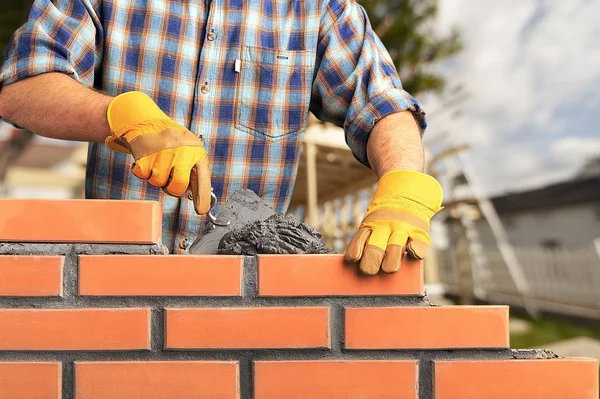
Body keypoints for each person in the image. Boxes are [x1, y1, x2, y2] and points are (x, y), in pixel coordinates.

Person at [0, 0, 443, 275]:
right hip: (115, 283)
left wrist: (403, 187)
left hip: (246, 294)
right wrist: (120, 114)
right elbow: (23, 84)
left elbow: (382, 104)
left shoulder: (318, 8)